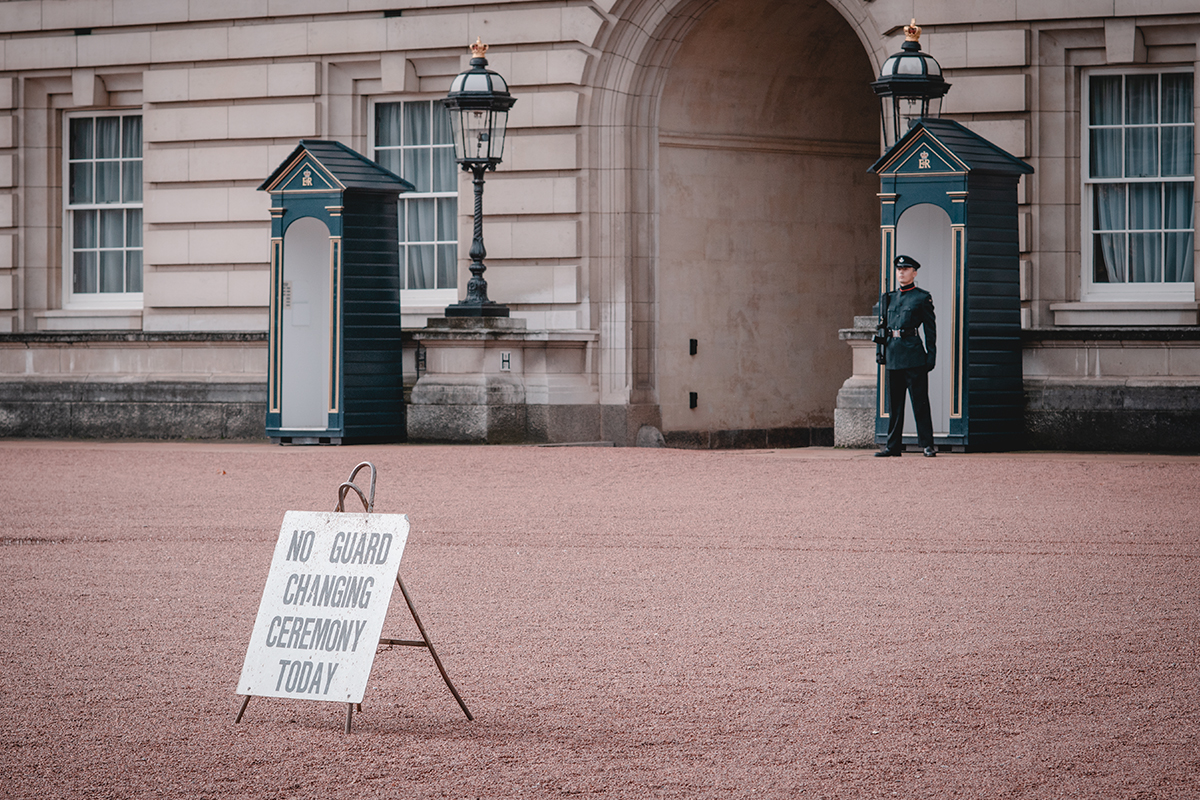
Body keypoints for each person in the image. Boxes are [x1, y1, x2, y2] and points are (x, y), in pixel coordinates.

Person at [875, 254, 937, 457]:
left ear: (914, 272)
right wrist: (881, 353)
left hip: (913, 355)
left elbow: (930, 329)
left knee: (920, 403)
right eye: (899, 269)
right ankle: (893, 446)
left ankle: (927, 444)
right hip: (893, 354)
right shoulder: (888, 298)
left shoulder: (921, 297)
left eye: (906, 269)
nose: (901, 272)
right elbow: (882, 329)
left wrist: (931, 355)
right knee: (895, 406)